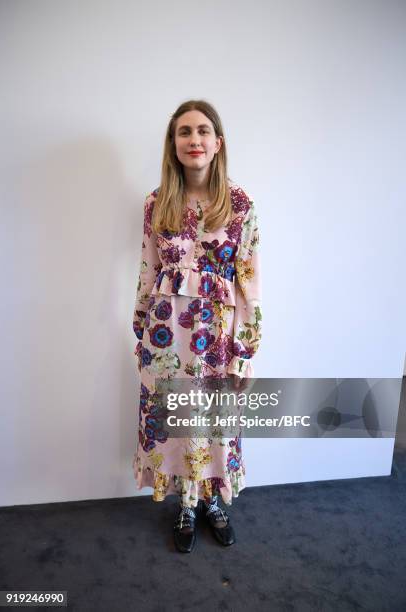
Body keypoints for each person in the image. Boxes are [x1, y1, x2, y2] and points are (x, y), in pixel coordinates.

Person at [132, 99, 262, 553]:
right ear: (173, 144)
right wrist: (140, 333)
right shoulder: (156, 203)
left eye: (203, 131)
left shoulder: (240, 203)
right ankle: (185, 506)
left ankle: (211, 501)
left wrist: (247, 345)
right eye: (184, 132)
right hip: (167, 336)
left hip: (218, 340)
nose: (194, 140)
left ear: (217, 142)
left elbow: (249, 279)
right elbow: (147, 272)